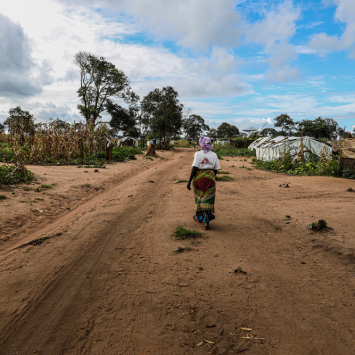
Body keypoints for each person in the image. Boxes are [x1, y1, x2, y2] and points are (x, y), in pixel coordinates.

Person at [187, 137, 221, 230]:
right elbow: (216, 169)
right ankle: (207, 222)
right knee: (209, 199)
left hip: (199, 178)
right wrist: (211, 177)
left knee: (200, 199)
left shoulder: (197, 154)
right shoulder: (214, 155)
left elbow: (194, 168)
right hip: (210, 178)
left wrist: (189, 181)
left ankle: (199, 218)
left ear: (201, 143)